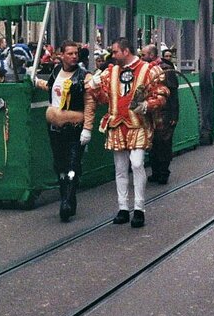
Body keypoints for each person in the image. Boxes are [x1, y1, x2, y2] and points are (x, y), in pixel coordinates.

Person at [84, 37, 168, 229]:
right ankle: (123, 208)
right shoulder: (110, 72)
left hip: (138, 124)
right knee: (120, 168)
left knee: (137, 163)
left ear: (126, 51)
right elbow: (104, 98)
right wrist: (94, 87)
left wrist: (148, 104)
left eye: (114, 52)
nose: (111, 56)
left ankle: (139, 208)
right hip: (116, 123)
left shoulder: (148, 70)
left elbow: (162, 93)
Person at [34, 41, 93, 221]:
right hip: (55, 127)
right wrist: (36, 81)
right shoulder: (56, 71)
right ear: (61, 55)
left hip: (75, 126)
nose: (74, 56)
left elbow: (90, 104)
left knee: (73, 164)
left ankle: (66, 201)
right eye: (70, 53)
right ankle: (67, 195)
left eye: (76, 53)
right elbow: (52, 87)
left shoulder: (84, 76)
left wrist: (87, 128)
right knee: (59, 164)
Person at [146, 44, 179, 185]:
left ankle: (163, 172)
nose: (142, 57)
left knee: (163, 143)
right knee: (153, 143)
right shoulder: (146, 69)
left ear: (152, 55)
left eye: (144, 55)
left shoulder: (166, 69)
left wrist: (174, 115)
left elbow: (173, 95)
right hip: (151, 112)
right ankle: (155, 171)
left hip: (164, 113)